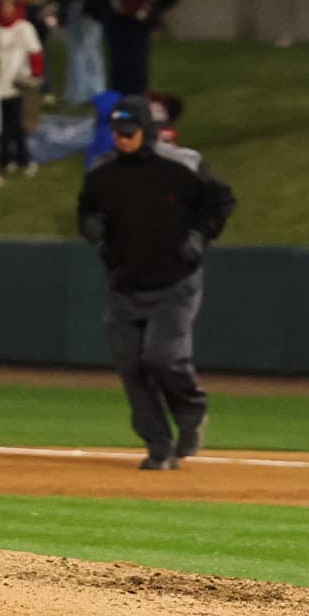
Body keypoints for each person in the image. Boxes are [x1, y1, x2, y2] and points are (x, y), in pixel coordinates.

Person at [77, 100, 237, 469]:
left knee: (164, 357)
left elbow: (220, 201)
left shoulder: (183, 165)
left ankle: (190, 411)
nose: (122, 139)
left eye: (129, 132)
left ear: (146, 131)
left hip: (175, 281)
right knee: (131, 366)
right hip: (124, 283)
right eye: (116, 133)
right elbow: (87, 210)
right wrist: (94, 232)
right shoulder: (102, 173)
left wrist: (199, 235)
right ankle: (159, 445)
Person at [0, 0, 44, 175]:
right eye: (3, 4)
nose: (6, 9)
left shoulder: (24, 28)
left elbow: (35, 53)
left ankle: (24, 160)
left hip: (18, 85)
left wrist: (35, 75)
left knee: (18, 126)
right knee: (2, 127)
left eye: (9, 4)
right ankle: (6, 160)